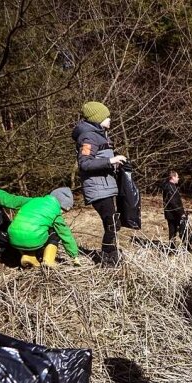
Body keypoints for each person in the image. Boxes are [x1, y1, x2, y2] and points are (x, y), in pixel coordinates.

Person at [72, 101, 127, 267]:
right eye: (106, 116)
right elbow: (85, 164)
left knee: (113, 223)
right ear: (97, 118)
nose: (110, 119)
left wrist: (115, 165)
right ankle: (107, 259)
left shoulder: (100, 134)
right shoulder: (88, 137)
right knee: (112, 223)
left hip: (105, 187)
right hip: (97, 189)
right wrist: (111, 160)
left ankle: (112, 255)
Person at [0, 186, 80, 268]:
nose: (62, 212)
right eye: (63, 210)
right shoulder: (56, 212)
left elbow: (8, 199)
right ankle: (48, 261)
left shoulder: (31, 201)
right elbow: (66, 235)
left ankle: (28, 256)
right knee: (55, 232)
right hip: (32, 239)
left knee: (31, 229)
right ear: (60, 205)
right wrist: (74, 256)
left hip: (13, 238)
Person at [160, 171, 186, 250]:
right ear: (173, 177)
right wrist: (181, 213)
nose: (178, 178)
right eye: (177, 177)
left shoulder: (170, 186)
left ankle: (172, 247)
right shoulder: (170, 187)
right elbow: (173, 202)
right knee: (181, 229)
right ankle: (185, 247)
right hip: (174, 213)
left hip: (171, 213)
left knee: (173, 230)